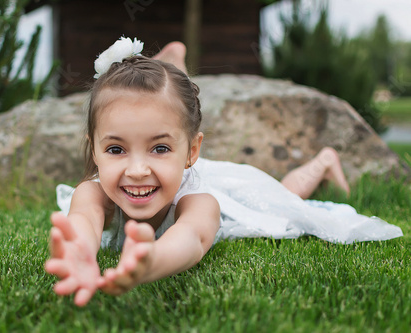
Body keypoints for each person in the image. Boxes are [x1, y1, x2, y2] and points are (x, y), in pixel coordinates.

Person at [45, 37, 403, 307]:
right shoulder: (92, 191)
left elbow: (192, 239)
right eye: (116, 149)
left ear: (192, 151)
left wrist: (152, 262)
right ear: (94, 149)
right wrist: (80, 249)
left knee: (283, 199)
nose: (137, 170)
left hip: (225, 186)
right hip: (173, 173)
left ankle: (322, 161)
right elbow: (85, 220)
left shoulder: (202, 201)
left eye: (160, 148)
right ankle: (171, 64)